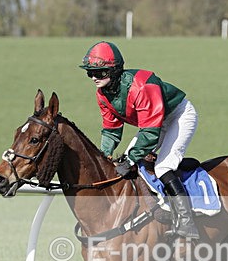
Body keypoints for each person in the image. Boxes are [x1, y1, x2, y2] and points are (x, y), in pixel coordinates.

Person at [80, 41, 200, 240]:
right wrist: (104, 156)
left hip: (178, 116)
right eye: (89, 72)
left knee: (163, 167)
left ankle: (187, 222)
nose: (93, 77)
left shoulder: (142, 86)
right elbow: (111, 129)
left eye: (99, 72)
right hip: (153, 123)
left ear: (115, 70)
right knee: (124, 164)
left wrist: (131, 159)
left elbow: (151, 132)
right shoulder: (103, 94)